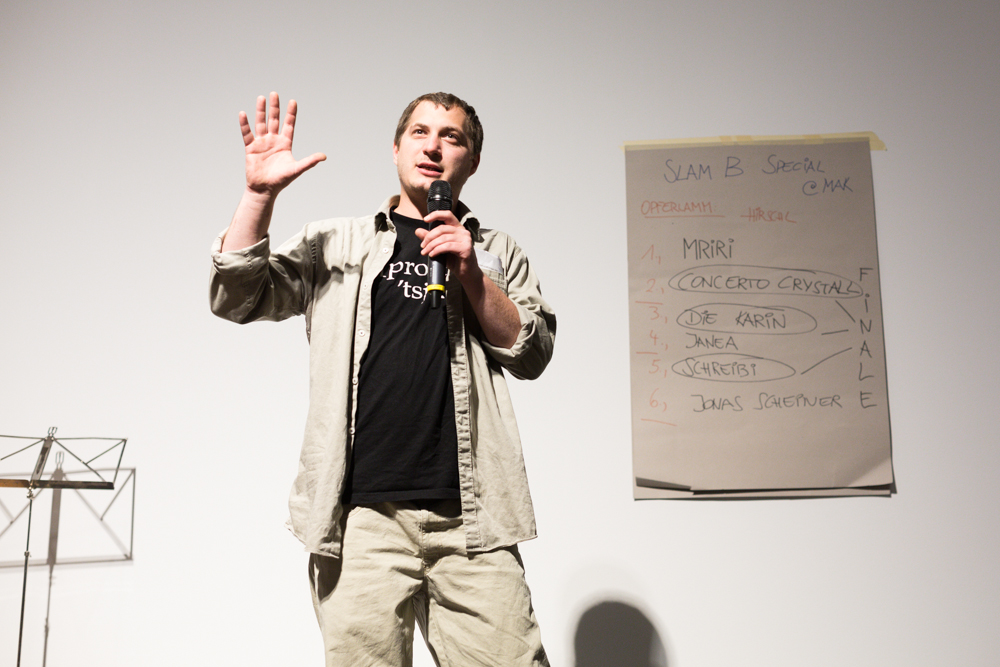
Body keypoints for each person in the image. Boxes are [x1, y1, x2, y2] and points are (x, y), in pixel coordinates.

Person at [209, 91, 555, 666]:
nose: (433, 146)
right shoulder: (335, 242)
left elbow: (532, 351)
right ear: (396, 149)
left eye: (451, 137)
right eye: (420, 132)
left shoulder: (495, 252)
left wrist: (471, 274)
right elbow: (237, 297)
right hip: (362, 520)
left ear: (471, 161)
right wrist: (258, 197)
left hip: (472, 520)